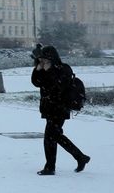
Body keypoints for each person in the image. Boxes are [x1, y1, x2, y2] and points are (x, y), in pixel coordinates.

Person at [30, 45, 90, 175]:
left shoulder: (63, 69)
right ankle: (79, 157)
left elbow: (58, 87)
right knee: (54, 136)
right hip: (49, 108)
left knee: (51, 136)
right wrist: (38, 69)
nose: (43, 61)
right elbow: (36, 83)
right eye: (42, 59)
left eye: (45, 59)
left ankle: (51, 167)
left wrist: (49, 71)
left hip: (60, 108)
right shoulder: (44, 69)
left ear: (52, 58)